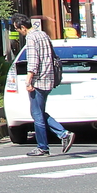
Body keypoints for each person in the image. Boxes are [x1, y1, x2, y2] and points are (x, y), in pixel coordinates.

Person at [21, 17, 75, 156]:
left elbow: (33, 61)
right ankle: (62, 134)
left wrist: (28, 80)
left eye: (17, 28)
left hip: (38, 80)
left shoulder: (31, 38)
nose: (18, 31)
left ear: (22, 27)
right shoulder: (43, 34)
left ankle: (44, 145)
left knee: (36, 114)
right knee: (40, 112)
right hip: (49, 79)